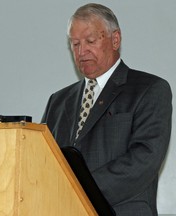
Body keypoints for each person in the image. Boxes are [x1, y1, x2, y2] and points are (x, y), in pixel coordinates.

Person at [41, 3, 172, 216]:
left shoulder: (150, 89)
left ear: (115, 39)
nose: (82, 52)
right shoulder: (58, 100)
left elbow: (144, 158)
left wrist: (79, 189)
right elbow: (43, 159)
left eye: (90, 41)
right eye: (74, 44)